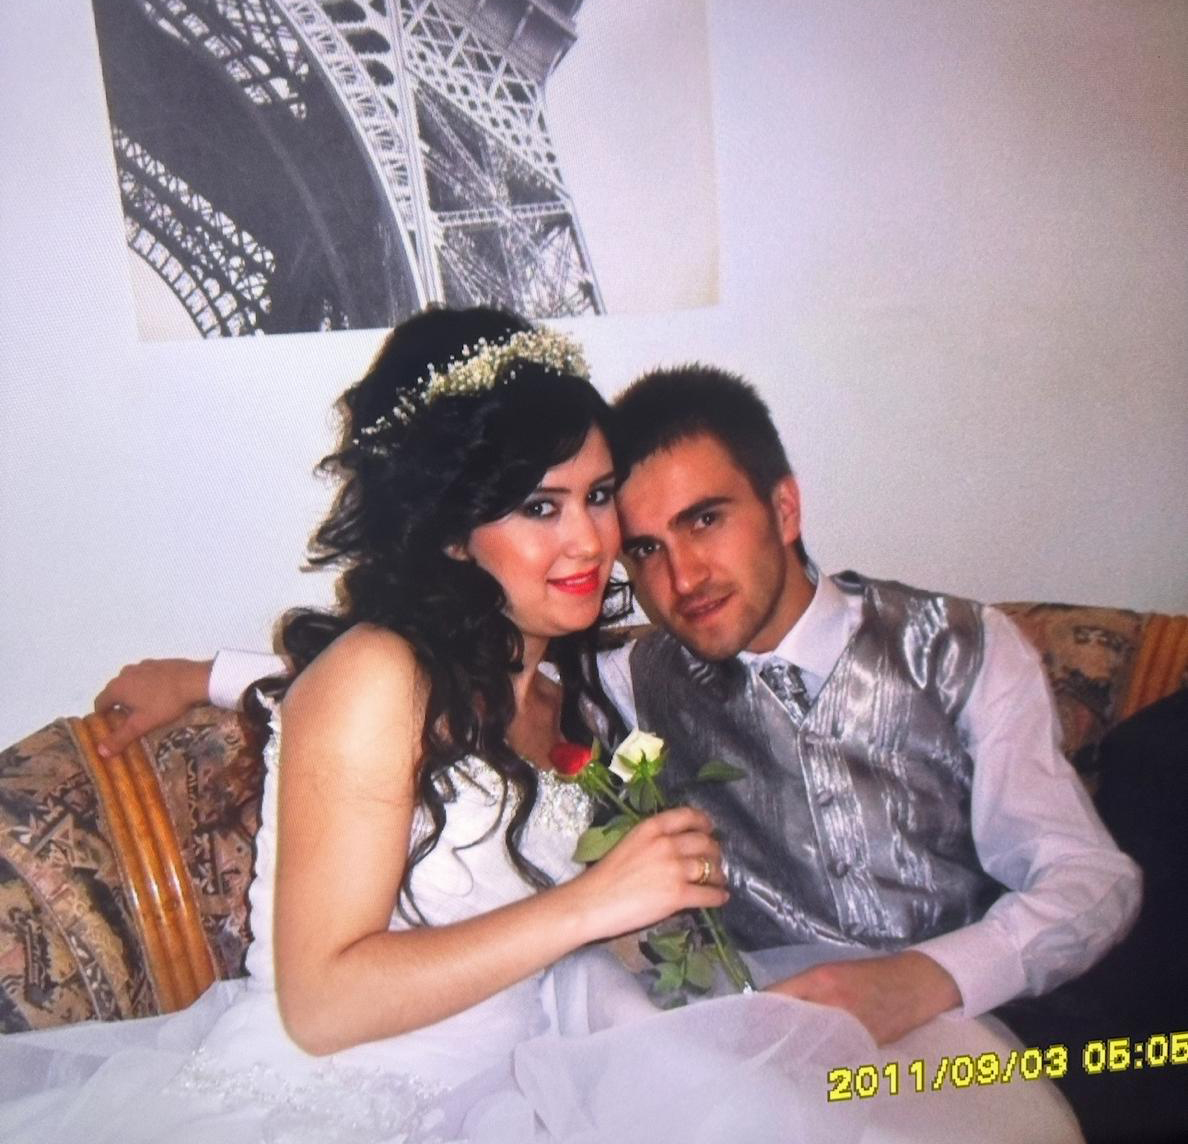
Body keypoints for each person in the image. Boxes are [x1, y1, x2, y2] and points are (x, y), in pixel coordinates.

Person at [64, 331, 1091, 1142]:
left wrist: (652, 919)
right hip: (345, 1102)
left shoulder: (573, 693)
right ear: (454, 532)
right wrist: (594, 902)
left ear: (787, 507)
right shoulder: (381, 672)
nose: (596, 541)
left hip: (526, 1080)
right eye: (540, 506)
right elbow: (322, 1004)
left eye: (598, 498)